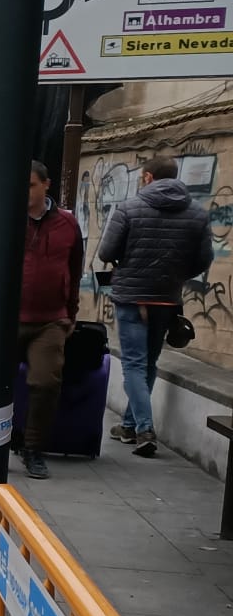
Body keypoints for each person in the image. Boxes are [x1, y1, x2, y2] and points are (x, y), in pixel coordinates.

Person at [99, 153, 213, 458]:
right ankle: (128, 425)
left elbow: (106, 250)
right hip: (166, 298)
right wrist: (176, 275)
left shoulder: (129, 208)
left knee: (134, 363)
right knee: (148, 363)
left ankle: (145, 430)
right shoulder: (197, 214)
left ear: (148, 177)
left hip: (132, 297)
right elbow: (204, 260)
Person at [15, 161, 85, 480]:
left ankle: (33, 448)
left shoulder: (67, 224)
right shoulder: (5, 218)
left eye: (30, 185)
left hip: (49, 320)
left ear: (46, 185)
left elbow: (74, 267)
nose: (24, 191)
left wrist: (70, 314)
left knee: (44, 382)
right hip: (5, 317)